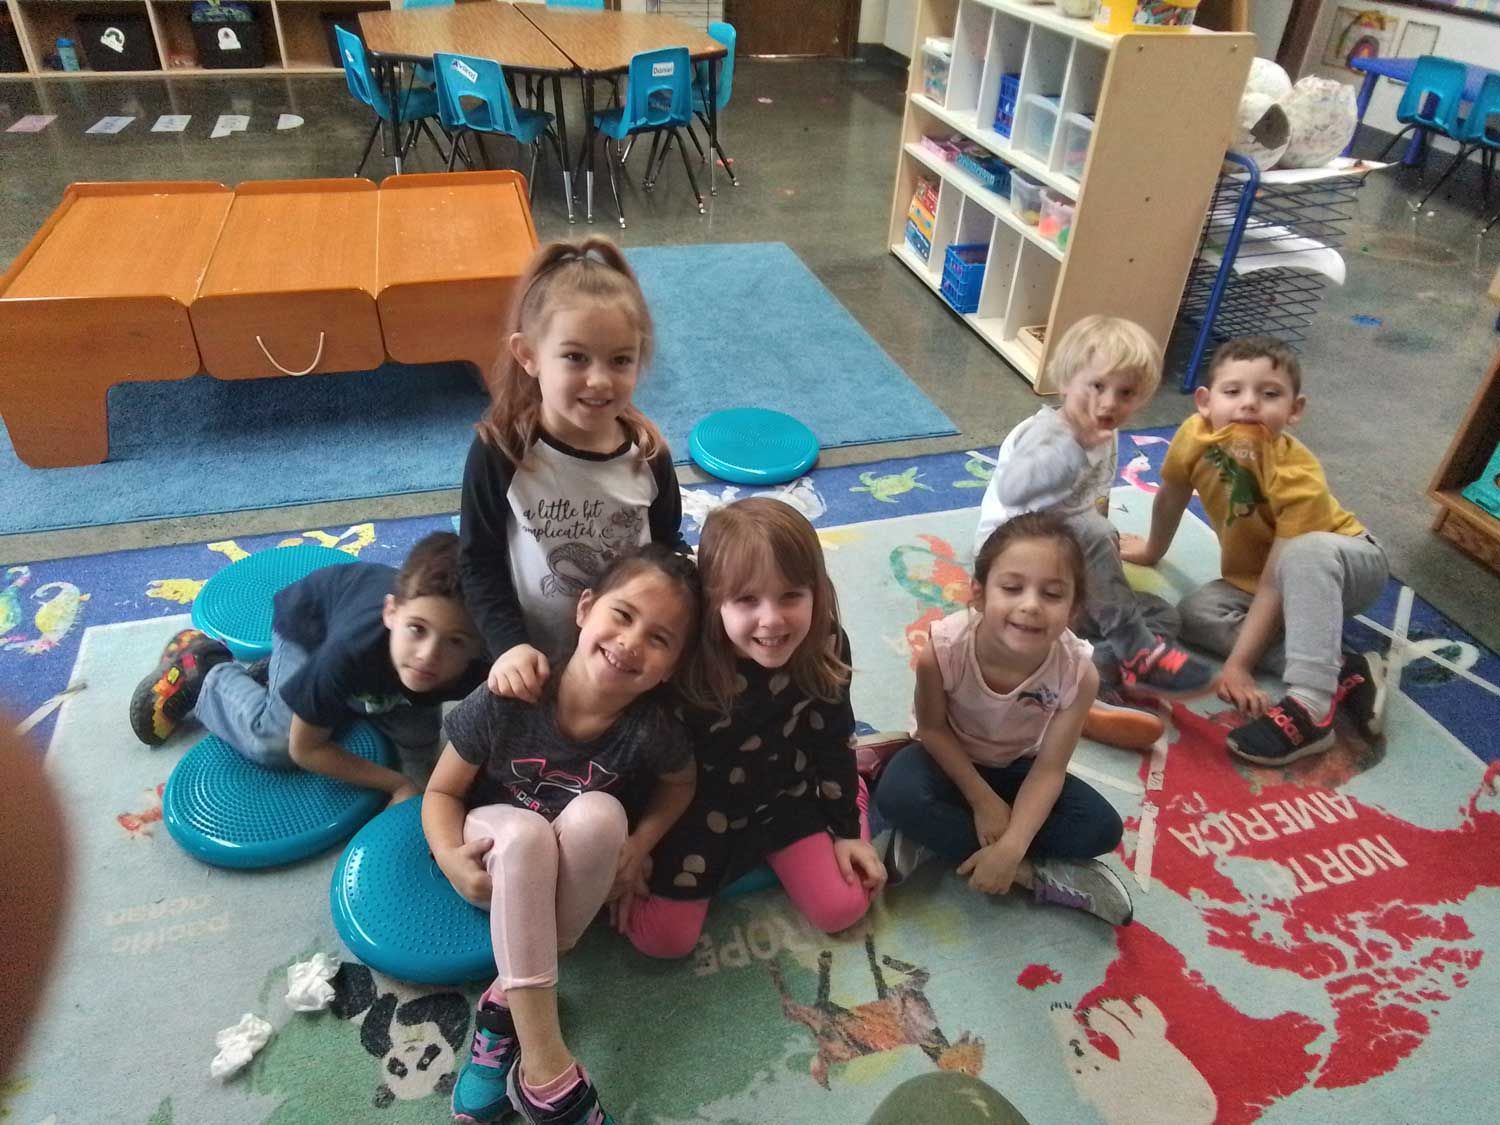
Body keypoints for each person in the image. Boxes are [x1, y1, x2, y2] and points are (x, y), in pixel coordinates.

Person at [426, 545, 700, 1125]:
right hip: (497, 854)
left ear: (672, 666)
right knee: (527, 834)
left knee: (602, 814)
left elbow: (681, 784)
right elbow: (441, 792)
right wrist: (450, 857)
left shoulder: (652, 730)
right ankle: (546, 1071)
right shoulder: (511, 693)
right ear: (584, 607)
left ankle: (502, 1008)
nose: (631, 642)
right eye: (622, 615)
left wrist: (641, 844)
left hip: (562, 891)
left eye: (658, 638)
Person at [619, 498, 887, 960]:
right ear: (714, 601)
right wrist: (638, 843)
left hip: (787, 792)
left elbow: (832, 736)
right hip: (698, 807)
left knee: (842, 907)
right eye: (747, 600)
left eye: (791, 596)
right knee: (662, 941)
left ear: (816, 591)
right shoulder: (684, 658)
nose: (772, 619)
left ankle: (861, 786)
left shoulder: (825, 641)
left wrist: (846, 830)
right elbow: (643, 757)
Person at [1120, 335, 1388, 765]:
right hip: (1260, 578)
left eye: (1269, 394)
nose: (1249, 403)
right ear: (1205, 402)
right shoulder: (1194, 436)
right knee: (1195, 615)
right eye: (1233, 391)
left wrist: (1239, 665)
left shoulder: (1297, 473)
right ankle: (1342, 668)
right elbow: (1171, 495)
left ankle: (1311, 706)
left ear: (1295, 409)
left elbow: (1275, 582)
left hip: (1347, 566)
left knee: (1304, 553)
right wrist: (1152, 549)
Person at [458, 236, 684, 709]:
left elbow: (667, 551)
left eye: (620, 360)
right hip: (530, 666)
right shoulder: (501, 452)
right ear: (528, 355)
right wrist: (509, 646)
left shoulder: (648, 456)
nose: (599, 380)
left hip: (625, 664)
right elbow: (478, 561)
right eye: (576, 357)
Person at [876, 512, 1133, 927]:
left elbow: (1049, 770)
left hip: (1018, 767)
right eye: (1012, 588)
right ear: (979, 595)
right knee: (897, 795)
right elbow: (933, 730)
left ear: (1073, 608)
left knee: (1101, 828)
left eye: (1052, 594)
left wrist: (1013, 844)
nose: (1030, 605)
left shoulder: (1079, 673)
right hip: (947, 757)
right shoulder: (942, 651)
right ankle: (1033, 875)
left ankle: (944, 844)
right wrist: (983, 801)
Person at [973, 316, 1210, 751]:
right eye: (1097, 386)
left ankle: (1088, 679)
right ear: (1066, 383)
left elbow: (1093, 500)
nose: (1109, 402)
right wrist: (1074, 453)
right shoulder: (1047, 436)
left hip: (1065, 575)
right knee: (1093, 533)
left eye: (1126, 393)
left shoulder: (1105, 433)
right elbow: (1015, 495)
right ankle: (1128, 657)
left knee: (1163, 615)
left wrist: (1101, 567)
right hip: (1015, 567)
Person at [128, 532, 485, 804]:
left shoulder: (482, 665)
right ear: (391, 613)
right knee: (276, 744)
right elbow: (307, 750)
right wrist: (397, 784)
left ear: (478, 644)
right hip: (310, 626)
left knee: (420, 743)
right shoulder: (350, 652)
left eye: (455, 641)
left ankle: (284, 679)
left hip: (367, 654)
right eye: (418, 630)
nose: (428, 656)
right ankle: (207, 671)